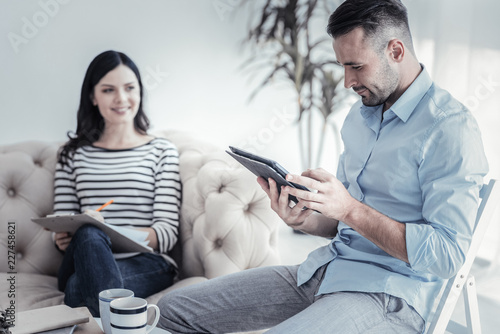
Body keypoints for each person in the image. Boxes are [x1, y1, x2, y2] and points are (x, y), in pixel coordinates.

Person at [157, 0, 489, 333]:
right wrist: (305, 218)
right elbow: (339, 223)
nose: (347, 81)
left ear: (396, 51)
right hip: (328, 270)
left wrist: (350, 210)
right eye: (343, 66)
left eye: (356, 66)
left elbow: (447, 256)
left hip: (391, 295)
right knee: (173, 310)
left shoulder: (449, 129)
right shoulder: (359, 118)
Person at [53, 50, 181, 316]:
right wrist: (61, 237)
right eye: (109, 90)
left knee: (78, 288)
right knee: (88, 233)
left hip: (145, 262)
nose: (121, 99)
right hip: (81, 257)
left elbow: (166, 233)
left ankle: (92, 302)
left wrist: (109, 231)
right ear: (93, 96)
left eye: (129, 88)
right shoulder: (72, 154)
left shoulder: (161, 151)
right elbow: (62, 218)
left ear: (140, 92)